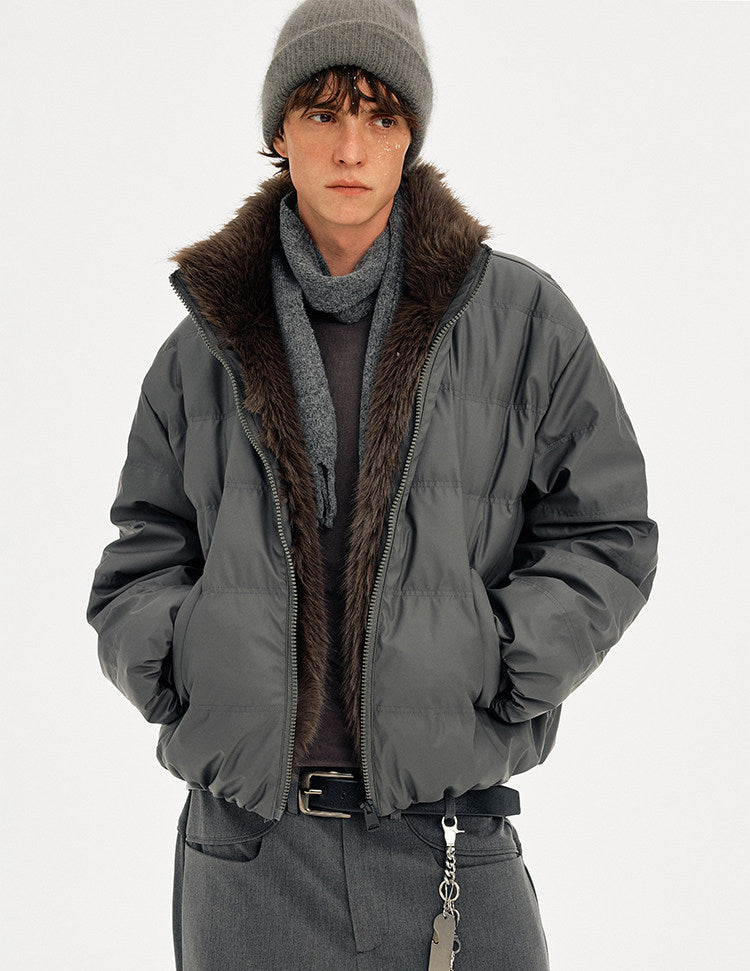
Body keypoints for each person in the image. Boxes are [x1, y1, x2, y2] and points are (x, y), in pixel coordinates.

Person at [87, 1, 658, 967]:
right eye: (322, 112)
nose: (350, 146)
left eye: (380, 115)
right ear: (280, 131)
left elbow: (608, 530)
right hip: (248, 854)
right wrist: (187, 667)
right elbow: (141, 555)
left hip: (450, 839)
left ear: (410, 134)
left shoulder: (521, 318)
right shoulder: (200, 348)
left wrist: (502, 660)